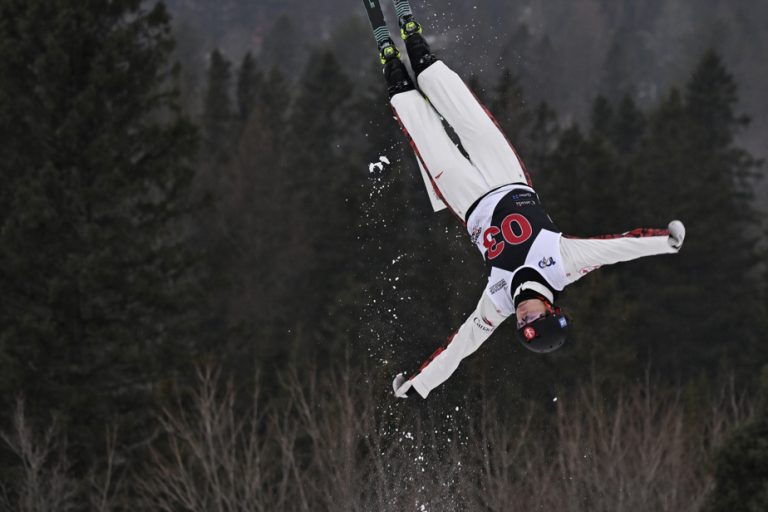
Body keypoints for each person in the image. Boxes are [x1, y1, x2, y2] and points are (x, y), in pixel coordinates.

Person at [380, 12, 686, 399]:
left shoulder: (497, 302)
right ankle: (419, 52)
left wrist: (417, 384)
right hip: (506, 176)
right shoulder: (564, 264)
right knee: (460, 107)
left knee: (422, 127)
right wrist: (667, 241)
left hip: (467, 198)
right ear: (551, 310)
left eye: (522, 324)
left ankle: (395, 76)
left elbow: (461, 348)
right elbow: (618, 248)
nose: (524, 317)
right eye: (534, 319)